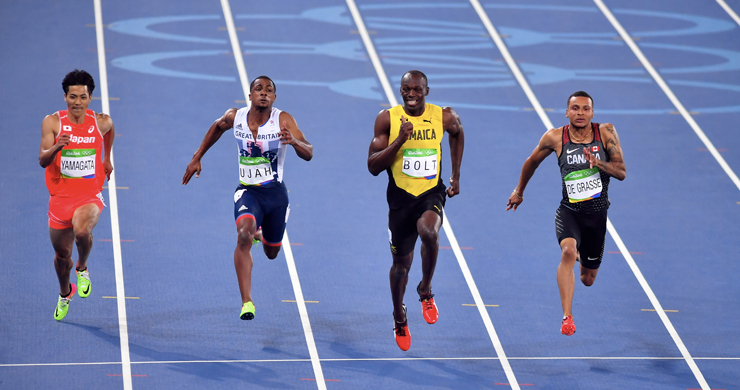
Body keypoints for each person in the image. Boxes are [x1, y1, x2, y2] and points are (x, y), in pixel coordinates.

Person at [182, 76, 312, 321]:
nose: (263, 93)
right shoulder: (236, 116)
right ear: (250, 95)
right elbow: (218, 126)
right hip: (248, 192)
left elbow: (309, 152)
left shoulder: (283, 120)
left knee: (272, 253)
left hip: (275, 196)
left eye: (269, 90)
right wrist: (197, 156)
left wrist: (294, 141)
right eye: (258, 89)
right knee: (243, 233)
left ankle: (261, 234)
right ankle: (247, 301)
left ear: (274, 98)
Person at [506, 91, 626, 336]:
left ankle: (584, 256)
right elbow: (531, 162)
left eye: (585, 109)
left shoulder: (605, 132)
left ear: (592, 112)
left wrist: (599, 163)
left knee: (587, 279)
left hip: (597, 215)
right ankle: (567, 317)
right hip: (569, 211)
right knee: (568, 252)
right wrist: (519, 191)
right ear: (567, 112)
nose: (580, 113)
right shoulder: (555, 137)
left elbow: (622, 172)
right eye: (575, 108)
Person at [368, 70, 464, 351]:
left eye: (417, 90)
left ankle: (425, 290)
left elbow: (457, 134)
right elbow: (373, 166)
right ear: (400, 91)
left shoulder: (444, 116)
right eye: (406, 89)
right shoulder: (387, 118)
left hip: (429, 193)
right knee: (400, 267)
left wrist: (456, 175)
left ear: (427, 91)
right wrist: (399, 140)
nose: (411, 94)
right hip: (399, 200)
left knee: (429, 231)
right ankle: (399, 316)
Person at [39, 69, 115, 321]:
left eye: (83, 97)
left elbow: (110, 128)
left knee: (82, 231)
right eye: (73, 97)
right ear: (65, 97)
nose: (77, 102)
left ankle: (82, 267)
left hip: (89, 194)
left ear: (90, 98)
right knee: (62, 258)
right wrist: (57, 145)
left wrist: (106, 158)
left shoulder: (100, 121)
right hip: (60, 198)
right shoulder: (52, 123)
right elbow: (42, 160)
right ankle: (65, 292)